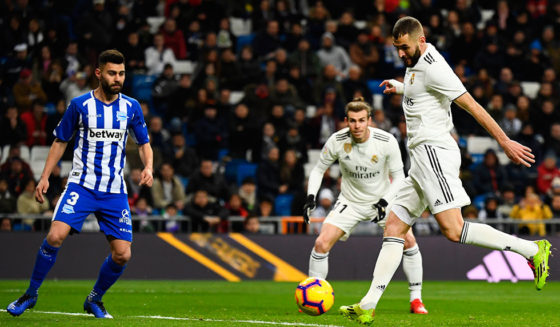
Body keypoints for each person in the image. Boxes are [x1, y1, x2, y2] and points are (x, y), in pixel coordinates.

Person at [339, 17, 551, 326]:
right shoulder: (417, 61)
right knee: (394, 227)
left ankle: (531, 249)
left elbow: (472, 105)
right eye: (396, 48)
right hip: (421, 159)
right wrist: (400, 86)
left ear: (420, 41)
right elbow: (420, 87)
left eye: (404, 48)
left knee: (454, 230)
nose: (400, 54)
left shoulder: (434, 67)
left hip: (435, 153)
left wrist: (504, 141)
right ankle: (368, 305)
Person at [6, 50, 153, 319]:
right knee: (54, 236)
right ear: (99, 73)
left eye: (121, 73)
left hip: (114, 191)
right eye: (112, 73)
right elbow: (60, 141)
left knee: (123, 255)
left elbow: (144, 143)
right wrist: (45, 176)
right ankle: (30, 294)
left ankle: (94, 299)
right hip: (81, 185)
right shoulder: (80, 105)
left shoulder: (131, 107)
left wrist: (149, 166)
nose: (117, 78)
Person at [304, 97, 428, 315]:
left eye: (362, 120)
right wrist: (311, 196)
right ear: (345, 121)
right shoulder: (336, 140)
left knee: (409, 241)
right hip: (350, 202)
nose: (357, 125)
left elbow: (399, 177)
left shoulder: (386, 140)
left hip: (383, 200)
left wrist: (385, 201)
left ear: (369, 120)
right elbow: (317, 170)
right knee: (321, 243)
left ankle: (416, 300)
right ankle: (314, 296)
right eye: (352, 121)